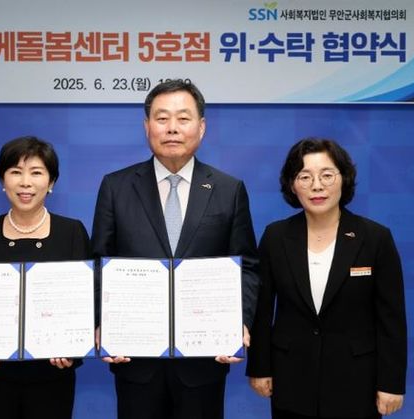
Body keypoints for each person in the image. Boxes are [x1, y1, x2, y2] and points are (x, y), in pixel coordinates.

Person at [91, 79, 260, 419]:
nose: (172, 128)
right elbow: (99, 263)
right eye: (162, 118)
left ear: (201, 127)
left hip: (204, 359)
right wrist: (101, 322)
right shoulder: (116, 186)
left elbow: (247, 266)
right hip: (135, 357)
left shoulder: (228, 189)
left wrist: (238, 322)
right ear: (147, 126)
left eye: (183, 118)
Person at [246, 138, 407, 418]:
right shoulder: (276, 237)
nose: (317, 186)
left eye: (327, 175)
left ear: (344, 179)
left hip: (357, 381)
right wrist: (259, 367)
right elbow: (261, 309)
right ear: (292, 185)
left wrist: (391, 383)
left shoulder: (375, 238)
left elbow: (391, 318)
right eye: (305, 177)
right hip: (292, 378)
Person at [0, 136, 91, 419]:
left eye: (36, 172)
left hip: (52, 374)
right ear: (2, 180)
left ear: (51, 182)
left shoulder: (71, 232)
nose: (25, 182)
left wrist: (72, 348)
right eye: (16, 172)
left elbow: (86, 300)